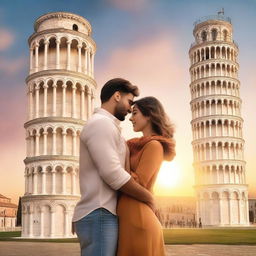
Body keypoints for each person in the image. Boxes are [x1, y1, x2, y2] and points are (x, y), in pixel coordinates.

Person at [72, 78, 156, 256]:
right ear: (117, 96)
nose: (129, 109)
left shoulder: (107, 126)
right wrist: (149, 198)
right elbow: (113, 174)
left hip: (100, 213)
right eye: (129, 102)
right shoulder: (100, 124)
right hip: (99, 212)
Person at [117, 96, 176, 256]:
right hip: (128, 218)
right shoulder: (135, 145)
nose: (131, 118)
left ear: (149, 114)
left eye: (135, 113)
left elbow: (139, 182)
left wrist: (114, 169)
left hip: (139, 220)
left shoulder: (154, 145)